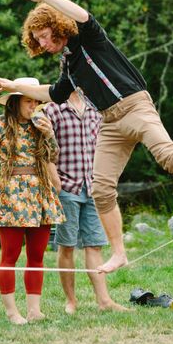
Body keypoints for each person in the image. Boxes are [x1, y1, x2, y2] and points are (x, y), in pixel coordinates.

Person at [0, 0, 173, 273]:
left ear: (57, 26)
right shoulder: (69, 63)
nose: (42, 43)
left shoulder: (89, 39)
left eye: (44, 35)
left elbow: (81, 14)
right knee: (101, 190)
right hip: (108, 122)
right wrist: (14, 86)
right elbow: (53, 94)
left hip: (135, 106)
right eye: (37, 40)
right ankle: (119, 253)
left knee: (168, 156)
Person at [0, 77, 65, 324]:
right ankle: (11, 312)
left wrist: (49, 134)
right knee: (10, 255)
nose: (34, 106)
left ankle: (34, 310)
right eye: (29, 101)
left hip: (40, 191)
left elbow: (52, 157)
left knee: (37, 255)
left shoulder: (41, 125)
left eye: (36, 101)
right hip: (12, 192)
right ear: (16, 101)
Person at [44, 89, 128, 313]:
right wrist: (55, 182)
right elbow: (45, 150)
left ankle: (104, 301)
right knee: (67, 246)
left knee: (95, 245)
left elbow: (107, 146)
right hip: (66, 187)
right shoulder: (53, 108)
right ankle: (71, 301)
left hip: (94, 187)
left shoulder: (96, 107)